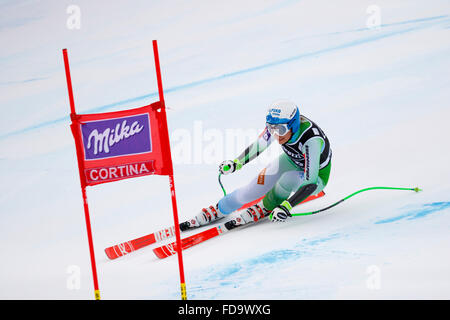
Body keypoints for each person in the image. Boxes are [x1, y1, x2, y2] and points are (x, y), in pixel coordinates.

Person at [181, 100, 332, 230]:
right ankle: (220, 208)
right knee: (250, 190)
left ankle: (266, 205)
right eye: (271, 128)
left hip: (316, 177)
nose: (276, 134)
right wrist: (236, 162)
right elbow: (259, 145)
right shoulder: (279, 125)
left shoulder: (311, 140)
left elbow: (310, 183)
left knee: (286, 180)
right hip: (293, 161)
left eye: (280, 130)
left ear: (293, 126)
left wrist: (287, 206)